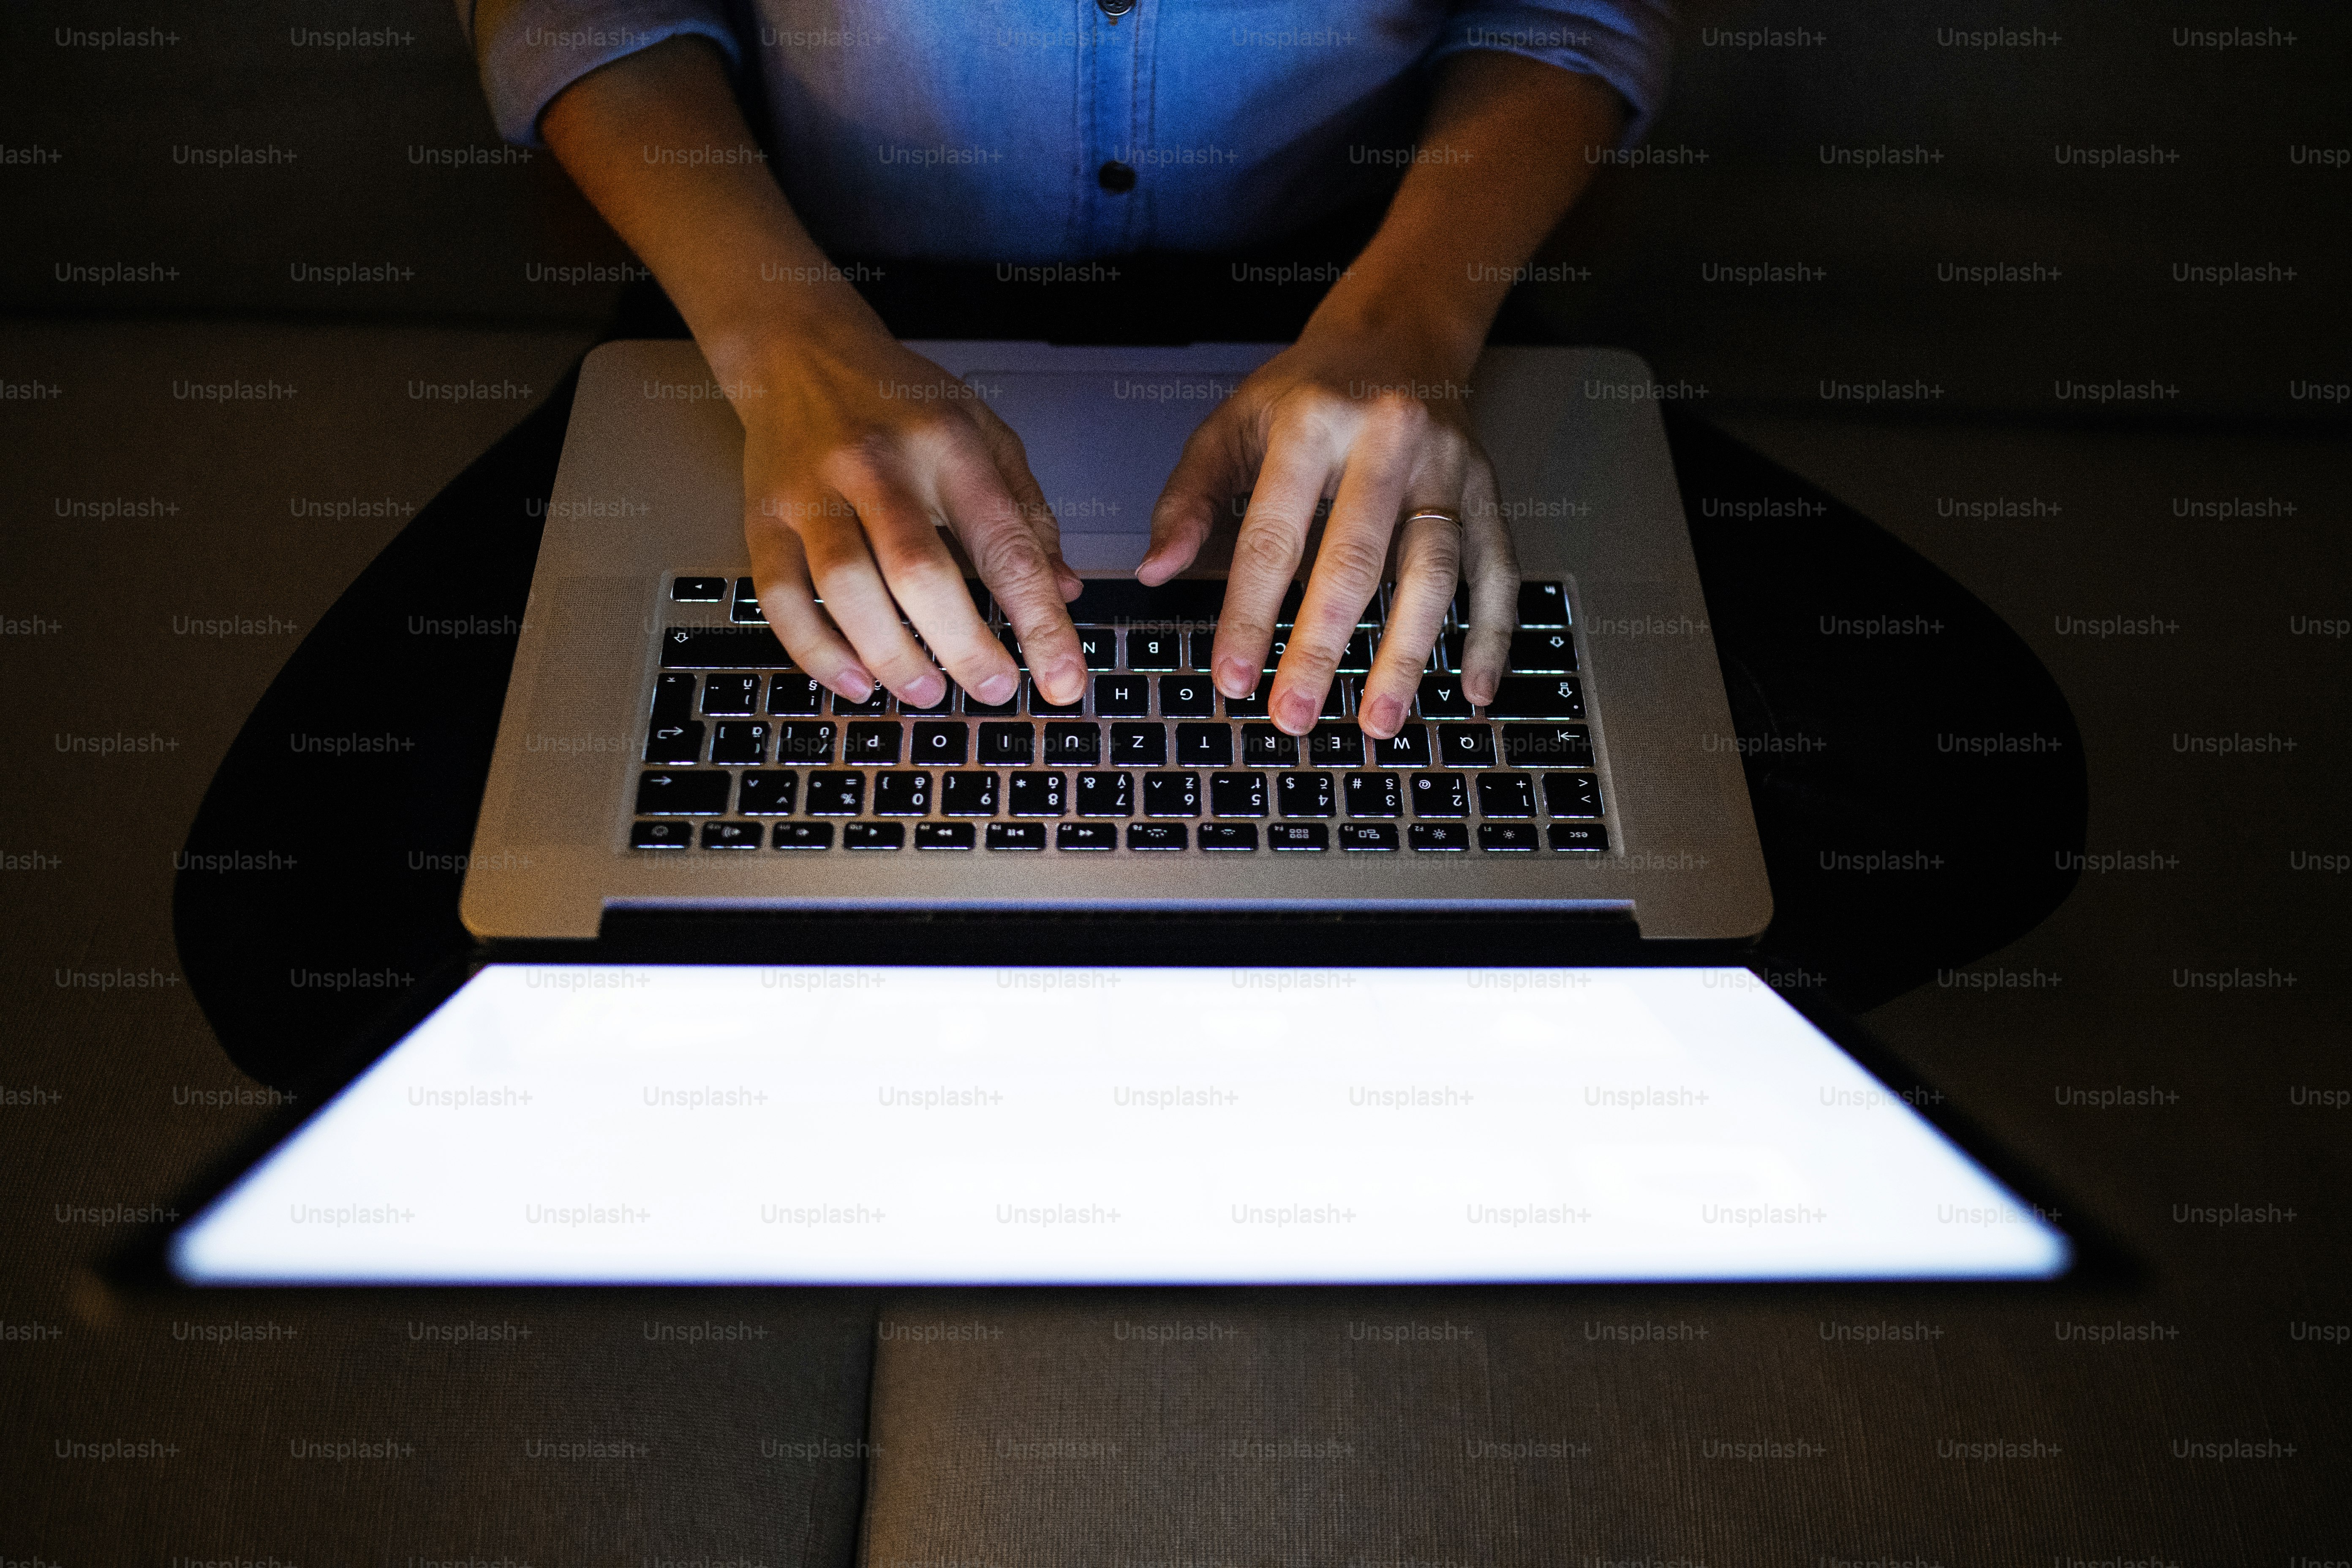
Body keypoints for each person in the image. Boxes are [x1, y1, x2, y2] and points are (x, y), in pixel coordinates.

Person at [472, 0, 1672, 736]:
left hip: (1387, 282)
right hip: (787, 279)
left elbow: (1568, 9)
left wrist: (1417, 320)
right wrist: (778, 333)